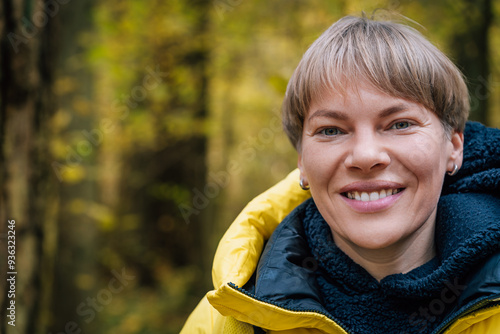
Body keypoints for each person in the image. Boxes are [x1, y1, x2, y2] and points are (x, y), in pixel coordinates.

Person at [181, 14, 500, 333]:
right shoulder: (227, 319)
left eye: (400, 124)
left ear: (454, 147)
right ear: (302, 162)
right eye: (331, 130)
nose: (365, 156)